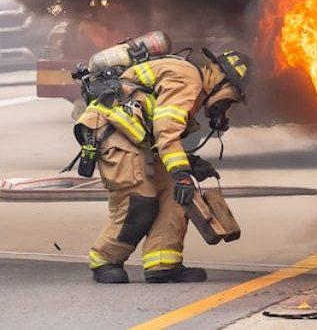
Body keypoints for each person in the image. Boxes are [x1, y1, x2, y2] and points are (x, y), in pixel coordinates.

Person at [78, 46, 251, 284]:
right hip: (115, 132)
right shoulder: (189, 79)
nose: (228, 104)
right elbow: (165, 127)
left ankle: (163, 263)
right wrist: (180, 172)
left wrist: (188, 165)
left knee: (177, 193)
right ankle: (104, 258)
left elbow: (161, 131)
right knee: (139, 199)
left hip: (137, 138)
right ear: (220, 77)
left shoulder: (189, 81)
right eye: (232, 95)